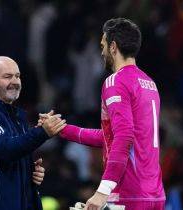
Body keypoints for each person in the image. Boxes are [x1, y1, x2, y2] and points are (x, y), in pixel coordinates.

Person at [40, 18, 165, 210]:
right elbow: (113, 137)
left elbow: (124, 136)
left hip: (128, 195)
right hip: (154, 196)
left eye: (103, 45)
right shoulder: (150, 84)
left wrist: (102, 191)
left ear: (113, 46)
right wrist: (63, 130)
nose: (102, 51)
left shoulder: (115, 82)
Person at [0, 56, 66, 210]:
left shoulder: (17, 117)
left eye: (17, 76)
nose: (15, 82)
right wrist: (42, 132)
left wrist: (30, 172)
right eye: (7, 76)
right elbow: (4, 148)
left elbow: (14, 154)